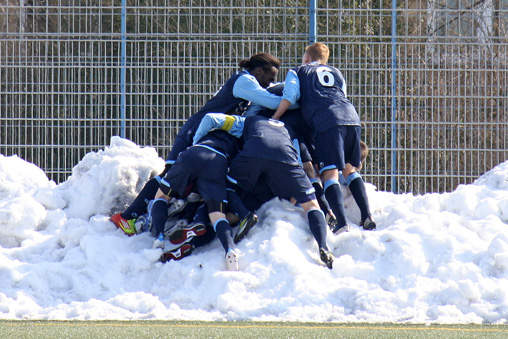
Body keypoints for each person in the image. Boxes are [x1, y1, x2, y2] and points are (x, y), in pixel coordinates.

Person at [110, 53, 286, 236]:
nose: (269, 84)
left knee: (184, 179)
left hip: (205, 132)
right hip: (195, 130)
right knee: (169, 174)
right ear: (258, 71)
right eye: (269, 78)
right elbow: (272, 101)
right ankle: (127, 216)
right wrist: (294, 97)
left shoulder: (248, 83)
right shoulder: (245, 81)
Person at [193, 113, 335, 269]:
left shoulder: (248, 120)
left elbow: (211, 119)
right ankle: (323, 246)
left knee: (226, 185)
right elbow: (299, 158)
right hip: (286, 157)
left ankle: (242, 215)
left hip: (254, 152)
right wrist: (297, 188)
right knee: (312, 206)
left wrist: (196, 142)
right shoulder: (288, 129)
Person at [271, 42, 375, 234]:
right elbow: (341, 94)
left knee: (329, 173)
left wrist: (275, 117)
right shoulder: (336, 72)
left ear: (307, 58)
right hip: (351, 116)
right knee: (350, 170)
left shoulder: (299, 71)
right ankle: (367, 216)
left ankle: (342, 223)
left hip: (328, 120)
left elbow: (291, 96)